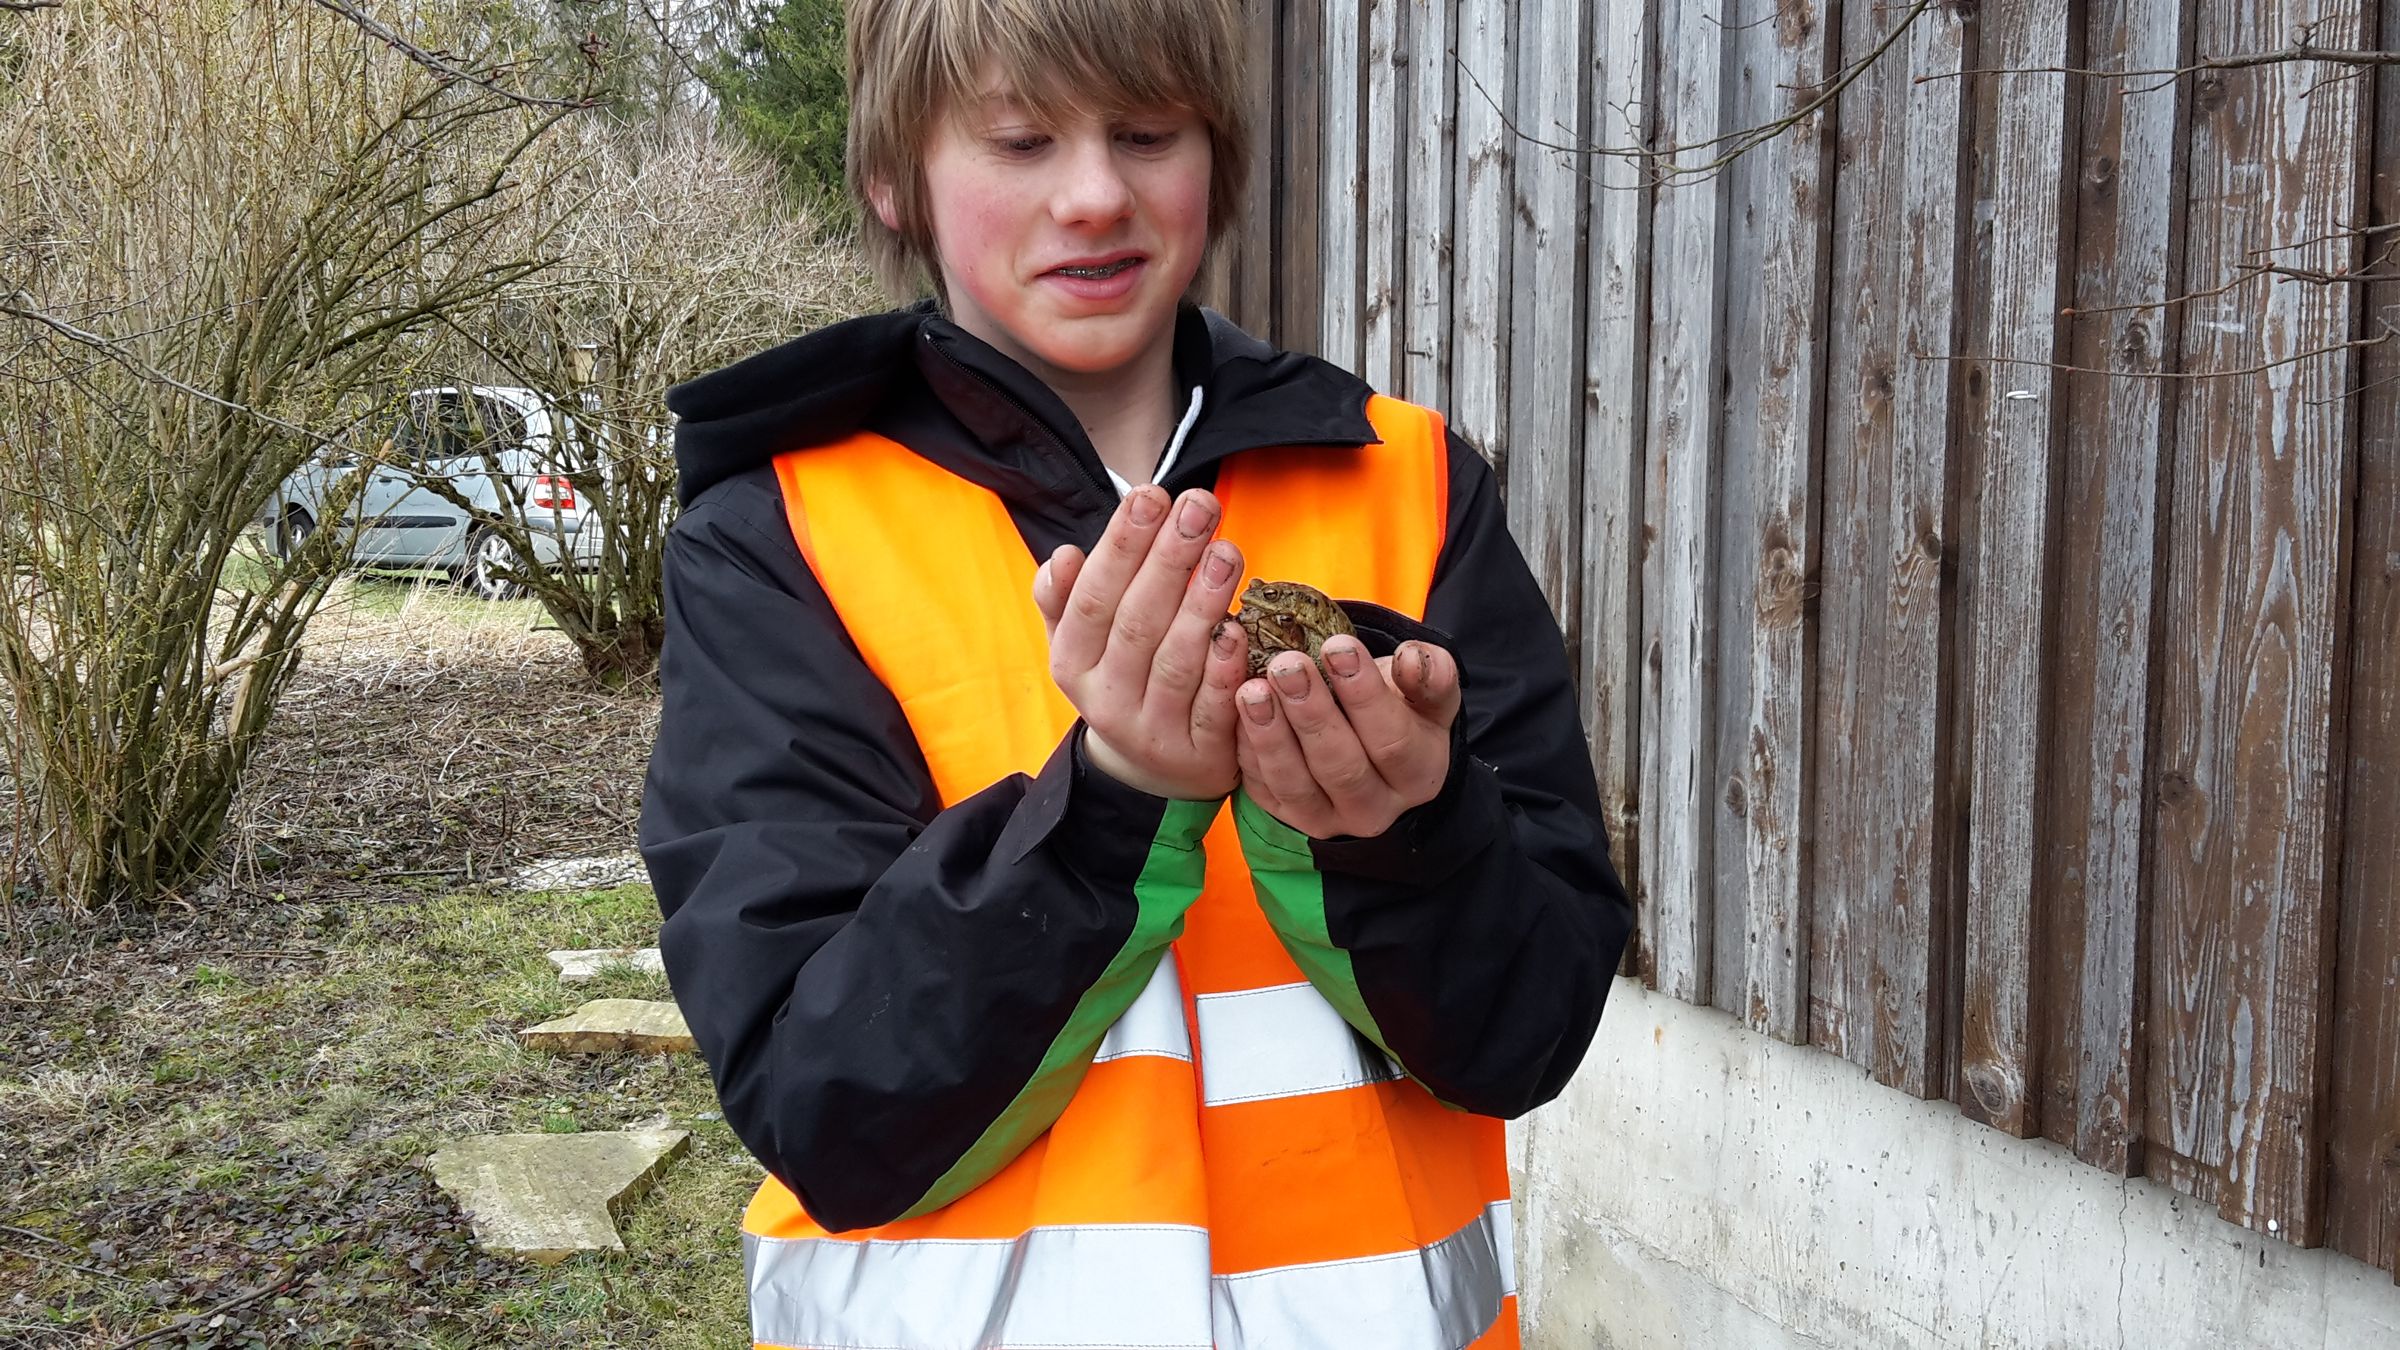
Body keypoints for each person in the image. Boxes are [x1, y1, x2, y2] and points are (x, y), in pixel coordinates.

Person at [637, 0, 1634, 1344]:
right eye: (1021, 139)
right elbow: (830, 1105)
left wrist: (1404, 837)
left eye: (1146, 131)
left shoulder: (1413, 482)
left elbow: (1527, 1033)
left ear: (1214, 155)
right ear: (893, 176)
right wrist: (1110, 806)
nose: (1095, 194)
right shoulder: (778, 539)